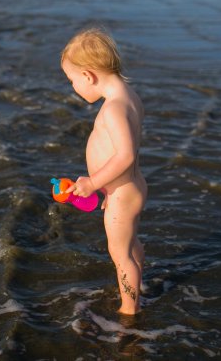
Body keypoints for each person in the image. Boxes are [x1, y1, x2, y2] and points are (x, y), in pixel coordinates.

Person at [60, 27, 147, 315]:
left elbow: (125, 155)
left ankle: (129, 311)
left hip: (122, 192)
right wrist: (108, 187)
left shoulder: (113, 109)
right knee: (130, 246)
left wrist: (93, 183)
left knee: (120, 254)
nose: (73, 87)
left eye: (72, 80)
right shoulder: (130, 97)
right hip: (126, 187)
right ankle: (134, 287)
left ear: (88, 75)